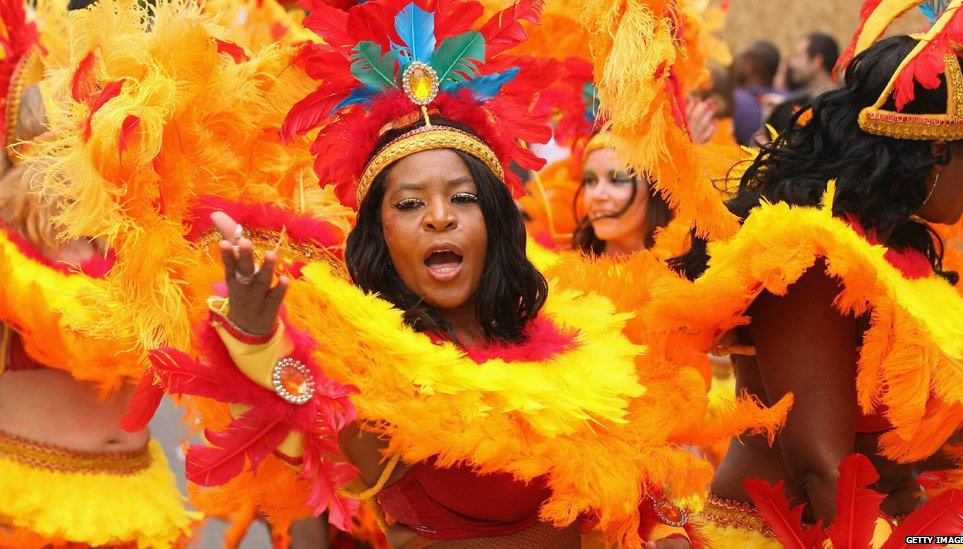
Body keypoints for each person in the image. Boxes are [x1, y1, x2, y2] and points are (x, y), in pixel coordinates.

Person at [32, 1, 782, 547]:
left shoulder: (585, 343)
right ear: (379, 234)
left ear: (496, 222)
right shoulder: (373, 364)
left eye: (461, 199)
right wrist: (257, 332)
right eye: (410, 203)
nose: (439, 218)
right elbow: (305, 388)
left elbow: (631, 483)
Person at [659, 1, 963, 543]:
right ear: (941, 149)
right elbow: (821, 473)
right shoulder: (809, 259)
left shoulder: (901, 250)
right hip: (795, 535)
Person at [0, 1, 196, 546]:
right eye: (62, 118)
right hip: (30, 499)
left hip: (136, 491)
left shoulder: (139, 238)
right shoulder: (7, 247)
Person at [732, 41, 783, 144]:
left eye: (742, 58)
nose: (738, 62)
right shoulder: (788, 100)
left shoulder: (735, 100)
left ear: (750, 67)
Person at [786, 32, 839, 97]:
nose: (792, 63)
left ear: (816, 62)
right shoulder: (797, 100)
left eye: (798, 56)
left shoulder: (845, 103)